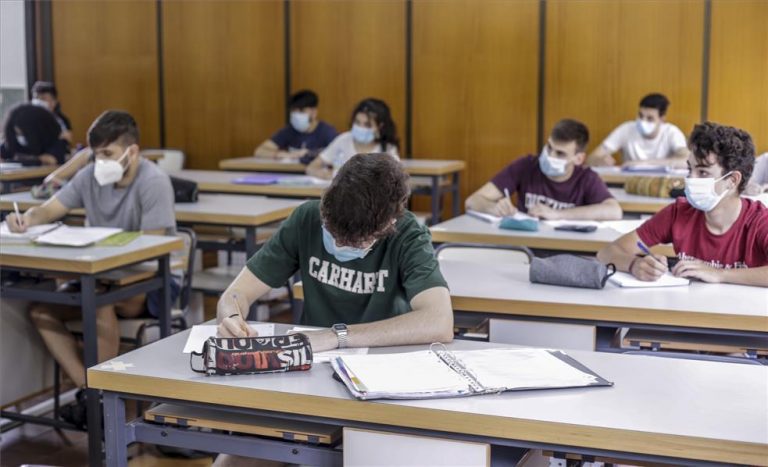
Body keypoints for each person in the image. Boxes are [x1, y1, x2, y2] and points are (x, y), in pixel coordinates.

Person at [213, 154, 452, 467]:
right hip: (308, 380)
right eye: (332, 230)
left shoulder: (408, 236)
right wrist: (230, 315)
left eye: (353, 241)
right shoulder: (307, 218)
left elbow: (439, 321)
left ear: (388, 223)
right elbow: (236, 293)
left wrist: (337, 336)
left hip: (379, 387)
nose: (338, 243)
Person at [6, 110, 178, 426]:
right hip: (99, 276)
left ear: (132, 151)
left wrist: (104, 276)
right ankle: (93, 395)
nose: (100, 162)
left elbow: (151, 252)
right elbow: (49, 208)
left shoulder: (154, 182)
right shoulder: (89, 176)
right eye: (95, 155)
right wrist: (26, 220)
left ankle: (100, 400)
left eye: (107, 154)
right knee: (42, 312)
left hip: (152, 279)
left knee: (100, 305)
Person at [597, 122, 768, 287]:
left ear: (732, 181)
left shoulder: (760, 221)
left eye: (702, 172)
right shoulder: (679, 213)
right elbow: (606, 253)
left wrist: (719, 273)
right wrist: (634, 264)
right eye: (689, 170)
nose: (690, 179)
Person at [465, 119, 622, 220]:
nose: (549, 155)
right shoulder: (526, 165)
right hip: (525, 245)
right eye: (549, 147)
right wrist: (493, 208)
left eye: (560, 153)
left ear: (579, 159)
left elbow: (614, 211)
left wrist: (558, 215)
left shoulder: (586, 178)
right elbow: (472, 201)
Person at [306, 98, 399, 180]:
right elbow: (312, 167)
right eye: (357, 122)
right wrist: (326, 175)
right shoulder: (343, 140)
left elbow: (395, 181)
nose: (361, 128)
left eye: (367, 125)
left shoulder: (388, 149)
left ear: (380, 126)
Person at [587, 93, 688, 167]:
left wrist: (642, 164)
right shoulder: (626, 129)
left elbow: (687, 160)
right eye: (640, 116)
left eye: (650, 118)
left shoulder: (671, 132)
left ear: (662, 119)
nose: (643, 121)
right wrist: (599, 160)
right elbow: (591, 158)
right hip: (629, 183)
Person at [253, 90, 337, 162]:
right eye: (294, 111)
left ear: (314, 112)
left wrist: (310, 154)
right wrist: (284, 154)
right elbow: (259, 151)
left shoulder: (327, 132)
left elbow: (339, 153)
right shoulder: (289, 131)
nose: (297, 115)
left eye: (301, 111)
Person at [0, 103, 69, 166]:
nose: (20, 137)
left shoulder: (55, 144)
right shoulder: (13, 141)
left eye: (23, 133)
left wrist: (17, 159)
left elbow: (51, 160)